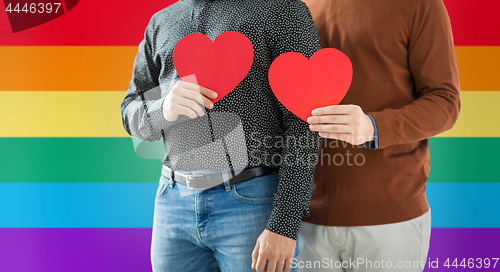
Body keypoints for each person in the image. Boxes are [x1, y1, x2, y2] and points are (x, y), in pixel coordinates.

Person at [120, 0, 322, 271]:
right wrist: (162, 108)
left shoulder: (281, 10)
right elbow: (131, 110)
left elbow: (304, 122)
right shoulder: (161, 22)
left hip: (253, 202)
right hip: (172, 202)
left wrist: (285, 223)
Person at [297, 0, 461, 271]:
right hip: (302, 220)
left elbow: (445, 101)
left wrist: (373, 127)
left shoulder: (420, 4)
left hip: (389, 219)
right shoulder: (293, 6)